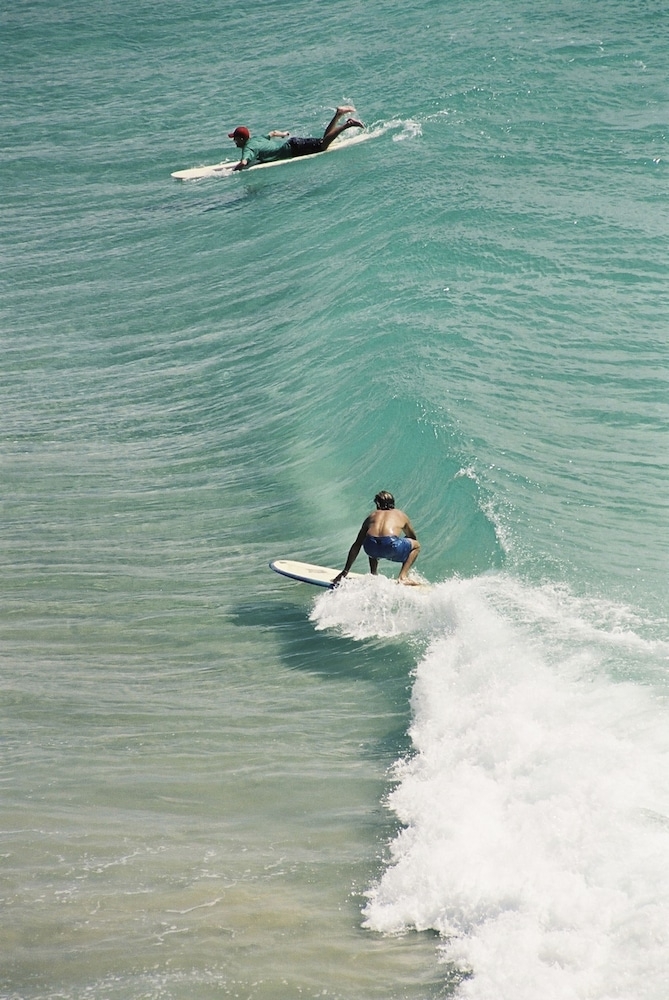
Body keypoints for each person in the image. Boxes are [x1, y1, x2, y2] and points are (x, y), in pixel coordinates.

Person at [228, 106, 364, 170]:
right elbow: (272, 133)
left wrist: (233, 171)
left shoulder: (248, 148)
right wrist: (283, 134)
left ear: (241, 139)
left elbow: (244, 163)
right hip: (293, 143)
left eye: (235, 139)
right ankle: (338, 114)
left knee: (323, 145)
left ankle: (348, 124)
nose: (234, 142)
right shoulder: (256, 139)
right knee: (324, 140)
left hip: (294, 149)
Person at [333, 491, 421, 586]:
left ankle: (373, 574)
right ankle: (402, 577)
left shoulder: (371, 516)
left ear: (377, 504)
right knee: (416, 545)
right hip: (391, 546)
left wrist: (345, 571)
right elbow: (413, 537)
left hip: (370, 548)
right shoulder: (400, 515)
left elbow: (357, 544)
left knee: (372, 540)